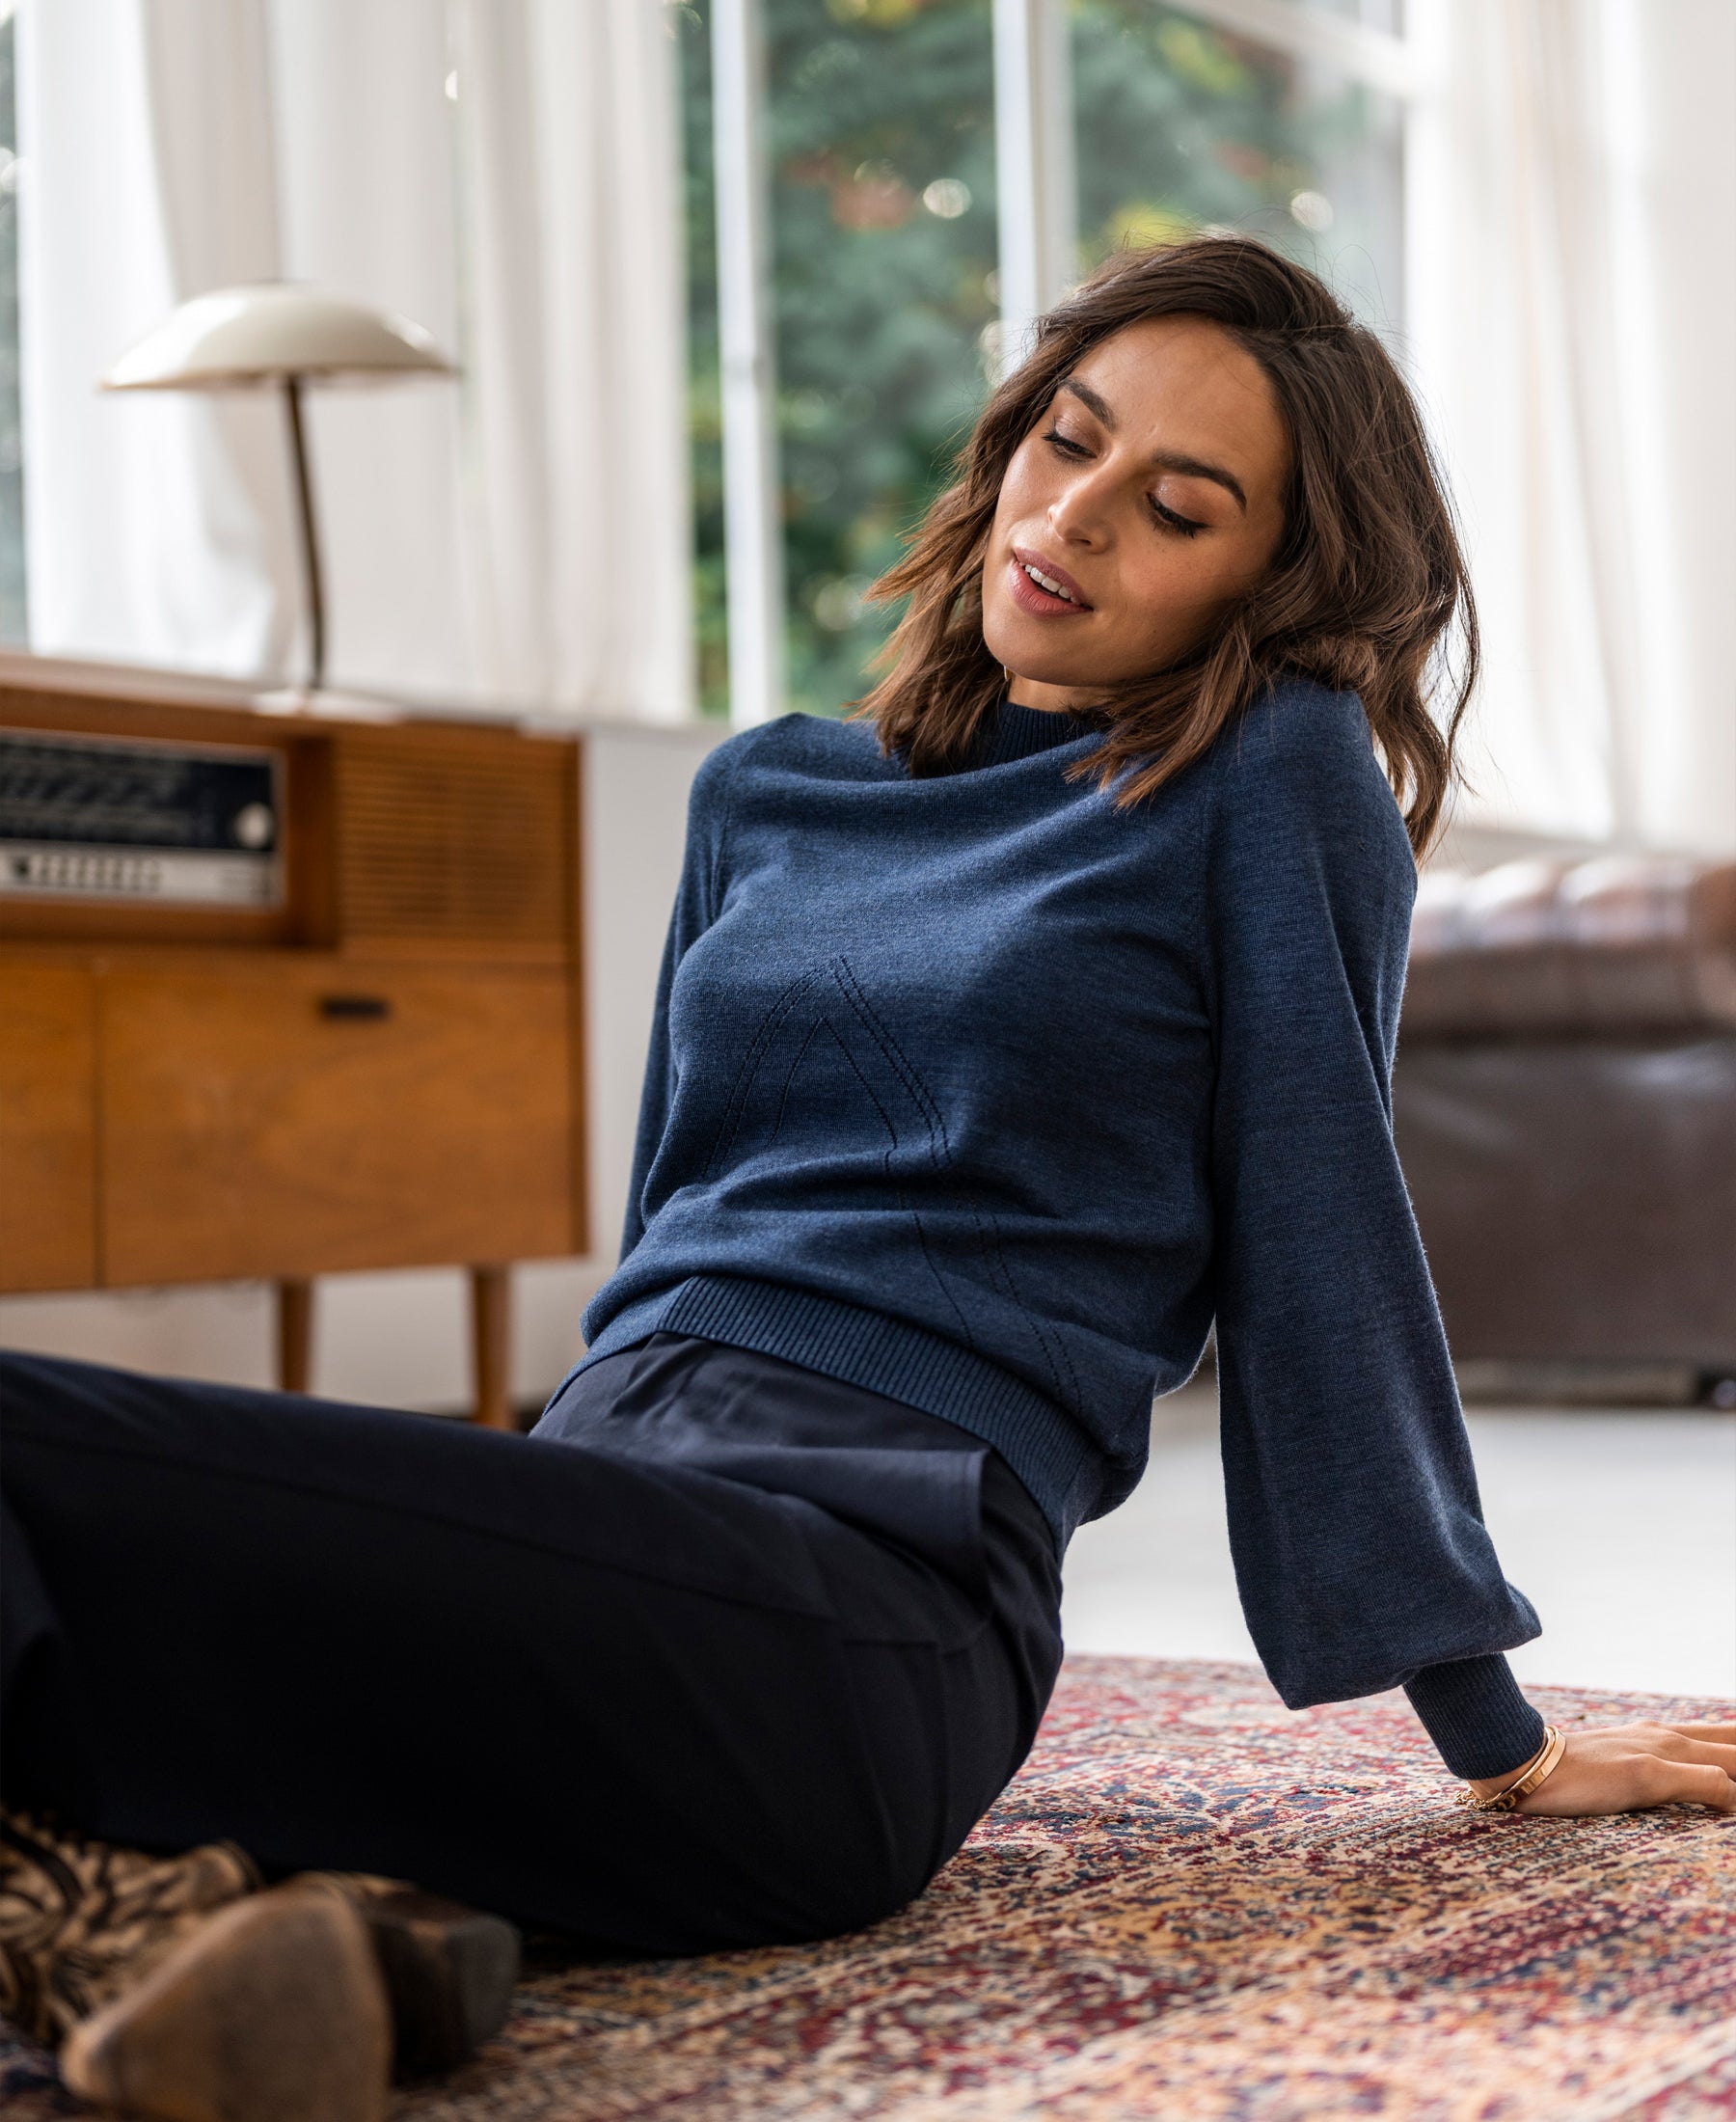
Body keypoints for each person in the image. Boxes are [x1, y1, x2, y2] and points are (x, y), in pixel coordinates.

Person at [4, 237, 1731, 2122]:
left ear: (1272, 580)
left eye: (1178, 505)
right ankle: (216, 1930)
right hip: (593, 1538)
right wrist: (482, 1527)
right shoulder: (767, 790)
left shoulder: (1265, 776)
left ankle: (190, 1898)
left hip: (858, 1613)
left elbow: (1330, 1246)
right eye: (1065, 441)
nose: (1072, 516)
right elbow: (676, 1234)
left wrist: (1497, 1731)